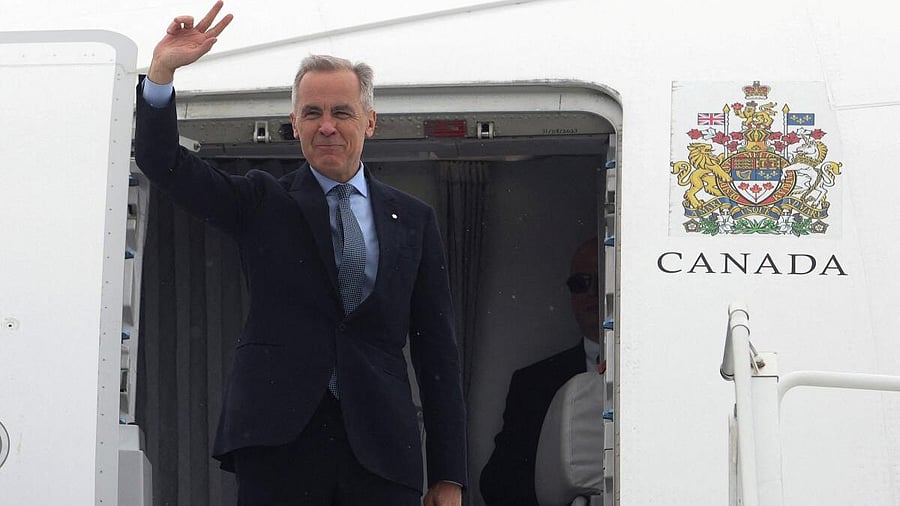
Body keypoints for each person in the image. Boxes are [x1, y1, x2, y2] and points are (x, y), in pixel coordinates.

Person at [134, 2, 466, 505]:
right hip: (279, 448)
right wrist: (160, 76)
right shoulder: (263, 201)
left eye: (341, 112)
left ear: (370, 121)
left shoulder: (413, 219)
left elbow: (436, 350)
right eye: (312, 113)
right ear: (295, 123)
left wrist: (448, 474)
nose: (326, 125)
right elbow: (163, 163)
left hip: (380, 452)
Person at [480, 238, 601, 506]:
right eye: (581, 282)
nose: (591, 291)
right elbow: (499, 481)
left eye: (602, 278)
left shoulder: (661, 375)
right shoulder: (533, 384)